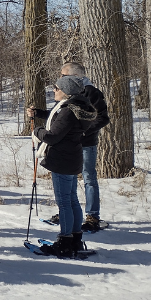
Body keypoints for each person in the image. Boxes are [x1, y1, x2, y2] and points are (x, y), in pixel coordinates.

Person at [26, 75, 97, 257]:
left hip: (62, 160)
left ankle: (65, 241)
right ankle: (75, 239)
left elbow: (52, 136)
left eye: (56, 88)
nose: (54, 91)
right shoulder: (77, 107)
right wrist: (39, 113)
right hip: (71, 158)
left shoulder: (68, 111)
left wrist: (37, 131)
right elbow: (56, 119)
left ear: (66, 92)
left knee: (64, 202)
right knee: (71, 200)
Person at [61, 62, 109, 231]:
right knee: (69, 178)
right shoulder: (67, 93)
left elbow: (103, 118)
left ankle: (92, 216)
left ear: (75, 76)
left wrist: (82, 131)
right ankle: (68, 211)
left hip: (86, 143)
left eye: (63, 75)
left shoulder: (92, 92)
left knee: (88, 178)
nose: (60, 79)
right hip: (70, 144)